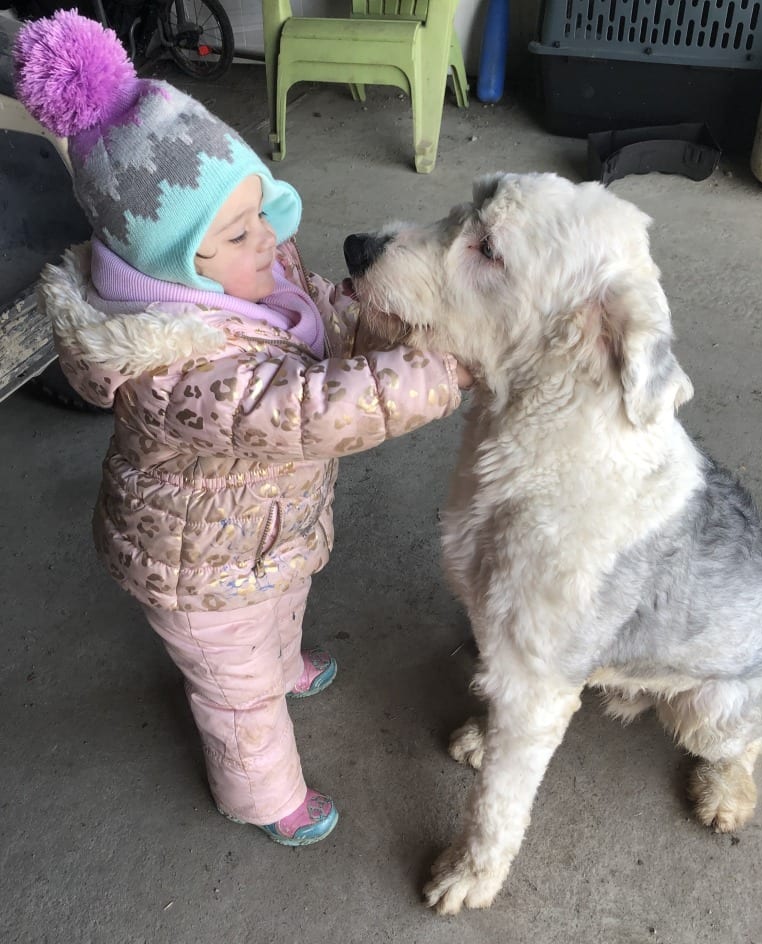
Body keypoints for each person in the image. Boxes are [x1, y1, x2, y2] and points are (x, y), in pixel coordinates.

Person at [14, 10, 472, 846]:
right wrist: (445, 368)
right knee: (237, 695)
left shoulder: (250, 273)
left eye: (260, 211)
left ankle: (282, 660)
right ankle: (263, 796)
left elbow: (321, 316)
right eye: (238, 232)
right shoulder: (179, 367)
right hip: (195, 566)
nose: (270, 238)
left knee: (283, 594)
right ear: (168, 264)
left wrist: (388, 323)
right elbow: (313, 410)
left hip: (261, 531)